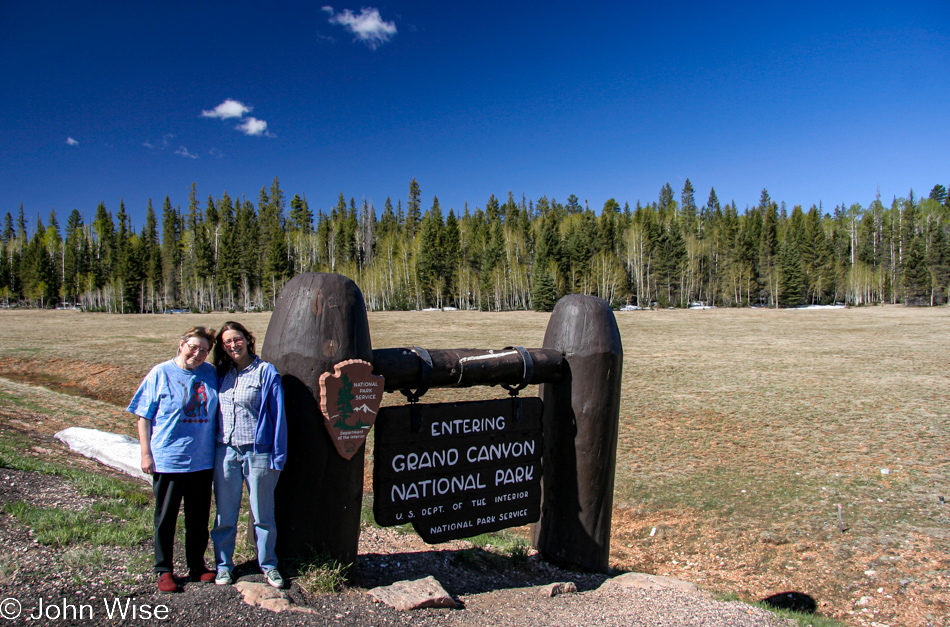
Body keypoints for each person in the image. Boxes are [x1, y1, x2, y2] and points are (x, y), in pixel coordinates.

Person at [129, 326, 219, 594]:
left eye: (204, 350)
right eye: (193, 347)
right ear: (181, 345)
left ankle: (197, 566)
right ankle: (163, 569)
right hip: (169, 459)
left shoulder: (210, 374)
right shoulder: (161, 373)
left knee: (198, 518)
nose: (198, 353)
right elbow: (143, 417)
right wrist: (146, 453)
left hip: (202, 461)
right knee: (166, 518)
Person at [210, 321, 287, 588]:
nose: (233, 345)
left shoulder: (266, 373)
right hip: (225, 452)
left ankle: (268, 565)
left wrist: (278, 456)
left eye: (237, 339)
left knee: (262, 515)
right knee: (225, 514)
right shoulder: (221, 374)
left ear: (247, 339)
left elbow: (278, 418)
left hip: (259, 454)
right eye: (227, 341)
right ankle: (223, 566)